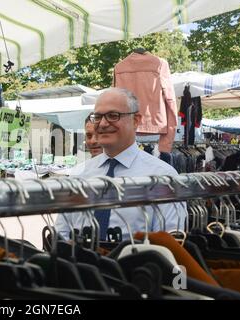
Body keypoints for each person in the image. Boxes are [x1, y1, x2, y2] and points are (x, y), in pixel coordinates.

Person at [54, 88, 186, 241]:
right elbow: (62, 234)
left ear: (136, 120)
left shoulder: (164, 177)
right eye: (97, 116)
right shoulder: (79, 175)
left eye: (112, 115)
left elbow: (168, 246)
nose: (103, 124)